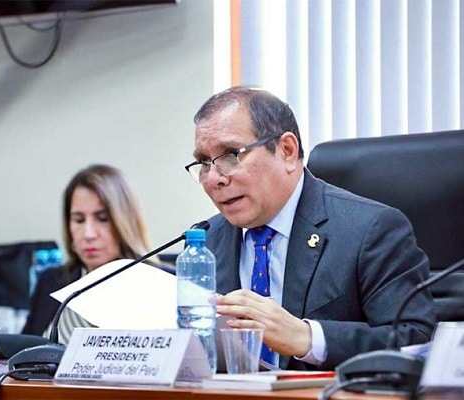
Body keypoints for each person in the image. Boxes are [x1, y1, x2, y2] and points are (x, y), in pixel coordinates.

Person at [185, 86, 435, 370]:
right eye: (203, 163)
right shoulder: (205, 241)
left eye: (231, 155)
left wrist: (306, 337)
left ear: (287, 151)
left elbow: (414, 342)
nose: (213, 179)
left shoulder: (371, 230)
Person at [22, 164, 156, 345]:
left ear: (126, 222)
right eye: (79, 220)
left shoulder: (163, 284)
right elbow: (20, 352)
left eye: (102, 219)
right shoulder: (51, 281)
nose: (88, 234)